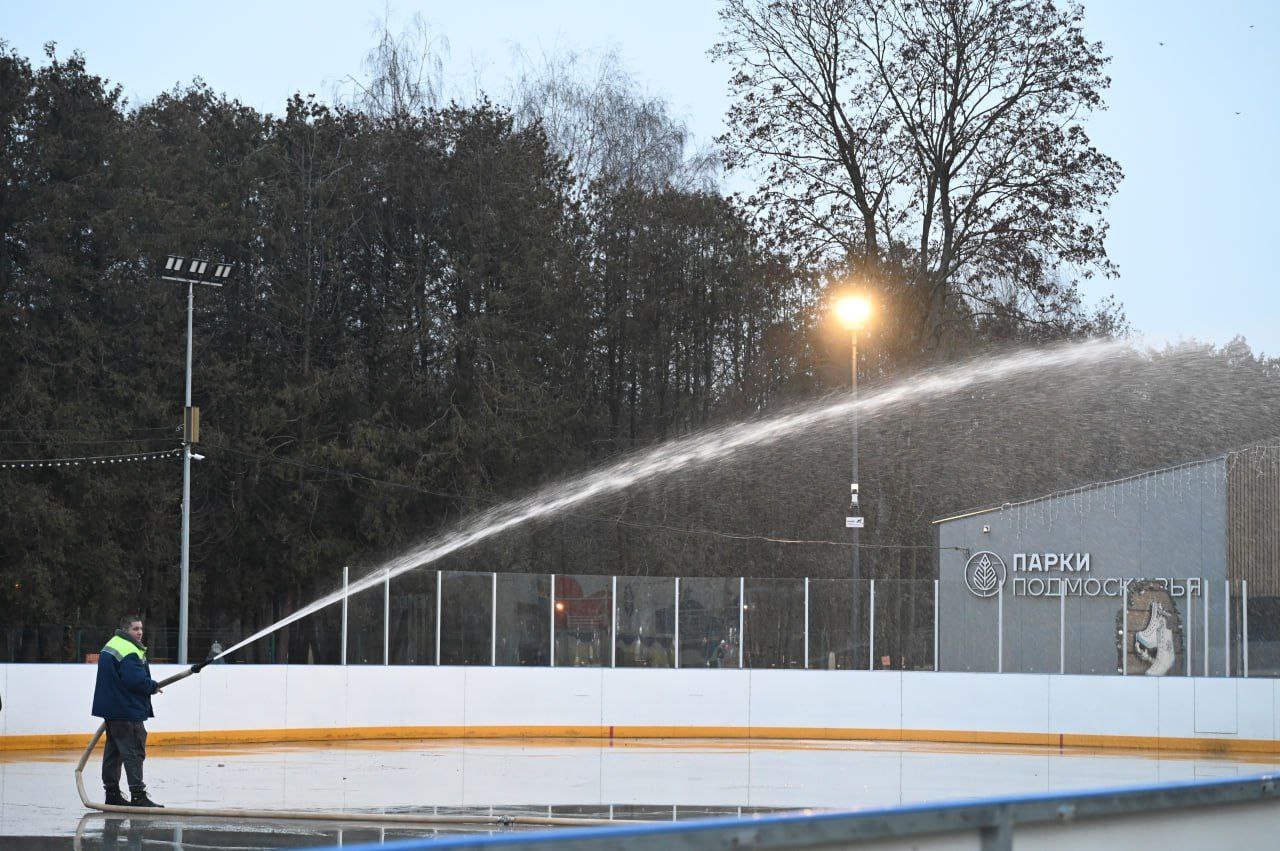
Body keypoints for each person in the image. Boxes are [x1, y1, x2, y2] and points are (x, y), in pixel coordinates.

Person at [91, 615, 163, 807]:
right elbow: (134, 681)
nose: (139, 632)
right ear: (125, 630)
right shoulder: (129, 650)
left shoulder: (112, 645)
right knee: (133, 752)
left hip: (114, 710)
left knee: (114, 752)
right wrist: (152, 686)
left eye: (141, 628)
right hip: (127, 710)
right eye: (135, 629)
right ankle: (138, 795)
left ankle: (112, 793)